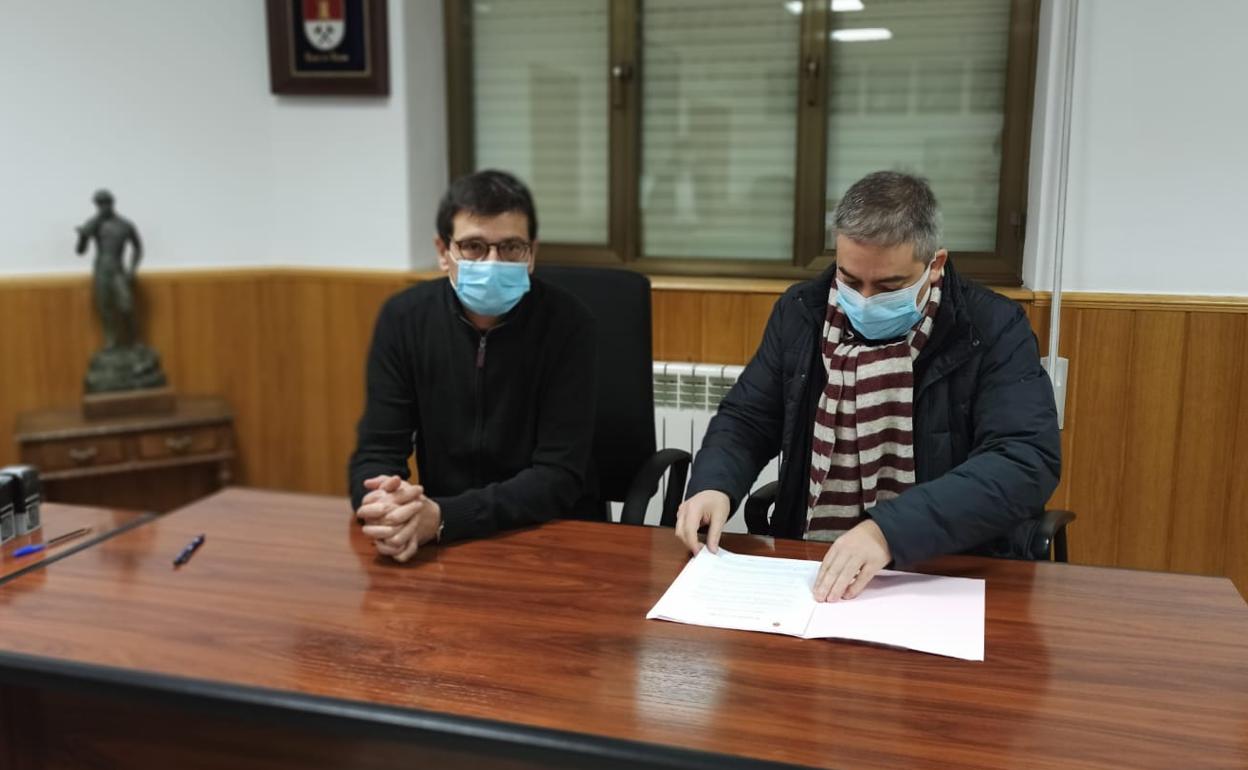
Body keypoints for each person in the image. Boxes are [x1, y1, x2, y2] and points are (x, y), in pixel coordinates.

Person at [675, 171, 1060, 602]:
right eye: (851, 280)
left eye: (889, 286)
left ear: (935, 266)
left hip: (945, 571)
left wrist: (887, 531)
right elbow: (749, 418)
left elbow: (1024, 459)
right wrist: (714, 484)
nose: (864, 299)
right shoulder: (803, 312)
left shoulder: (991, 328)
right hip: (813, 567)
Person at [349, 170, 597, 562]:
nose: (493, 262)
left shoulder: (569, 323)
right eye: (474, 247)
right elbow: (377, 449)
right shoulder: (405, 319)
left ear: (531, 253)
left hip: (551, 539)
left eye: (511, 247)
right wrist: (386, 502)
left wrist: (445, 517)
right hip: (441, 544)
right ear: (443, 251)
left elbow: (558, 476)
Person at [76, 189, 143, 349]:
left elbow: (138, 248)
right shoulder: (94, 225)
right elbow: (80, 251)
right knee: (104, 306)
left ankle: (134, 339)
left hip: (118, 269)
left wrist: (132, 270)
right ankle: (111, 339)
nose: (102, 207)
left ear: (112, 203)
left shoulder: (125, 225)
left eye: (105, 203)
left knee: (126, 305)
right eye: (99, 204)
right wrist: (82, 237)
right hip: (101, 269)